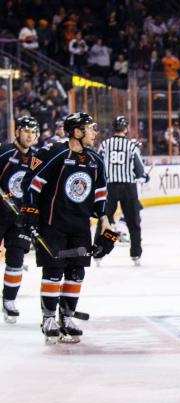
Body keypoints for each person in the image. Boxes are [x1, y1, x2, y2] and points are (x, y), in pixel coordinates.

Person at [19, 112, 117, 344]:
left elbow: (101, 192)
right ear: (77, 132)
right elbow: (32, 184)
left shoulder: (95, 160)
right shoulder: (55, 153)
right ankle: (49, 318)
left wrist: (104, 221)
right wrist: (31, 213)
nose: (95, 132)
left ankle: (68, 317)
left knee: (76, 273)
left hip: (80, 226)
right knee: (53, 271)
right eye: (90, 128)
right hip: (53, 224)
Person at [1, 117, 39, 323]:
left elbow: (39, 188)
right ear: (17, 132)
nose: (29, 136)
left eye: (33, 132)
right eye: (25, 131)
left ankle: (9, 300)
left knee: (16, 261)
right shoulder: (4, 152)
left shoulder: (37, 159)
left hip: (20, 218)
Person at [96, 116, 148, 265]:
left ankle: (98, 253)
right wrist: (142, 177)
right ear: (125, 129)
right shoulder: (132, 146)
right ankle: (135, 254)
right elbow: (139, 170)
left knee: (104, 220)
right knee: (133, 222)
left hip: (109, 187)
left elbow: (98, 164)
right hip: (128, 188)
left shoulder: (105, 144)